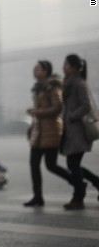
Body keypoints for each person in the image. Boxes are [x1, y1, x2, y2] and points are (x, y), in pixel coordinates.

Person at [24, 60, 71, 207]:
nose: (34, 71)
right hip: (39, 132)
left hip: (51, 130)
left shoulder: (53, 86)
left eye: (37, 69)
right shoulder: (38, 88)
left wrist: (36, 112)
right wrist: (32, 126)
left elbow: (57, 108)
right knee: (33, 164)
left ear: (46, 71)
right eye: (34, 68)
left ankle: (77, 182)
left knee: (51, 165)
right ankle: (37, 196)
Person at [60, 54, 99, 210]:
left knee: (73, 164)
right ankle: (94, 184)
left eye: (66, 64)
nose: (63, 66)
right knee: (73, 164)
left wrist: (71, 116)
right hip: (71, 131)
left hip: (79, 131)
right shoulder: (69, 83)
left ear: (73, 67)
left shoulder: (79, 84)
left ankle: (78, 197)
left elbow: (86, 106)